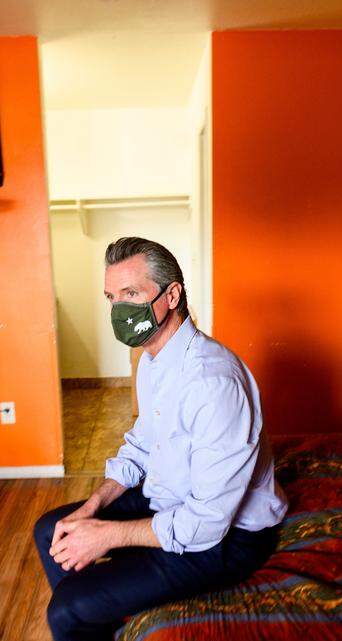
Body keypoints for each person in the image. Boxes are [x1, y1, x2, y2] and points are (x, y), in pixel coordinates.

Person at [33, 237, 288, 641]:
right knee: (52, 530)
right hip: (172, 497)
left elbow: (207, 522)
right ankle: (107, 616)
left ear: (172, 295)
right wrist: (93, 506)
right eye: (111, 297)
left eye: (131, 293)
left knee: (67, 611)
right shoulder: (152, 360)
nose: (119, 309)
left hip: (228, 538)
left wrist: (108, 535)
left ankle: (89, 614)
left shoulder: (211, 381)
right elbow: (140, 446)